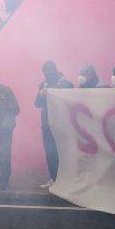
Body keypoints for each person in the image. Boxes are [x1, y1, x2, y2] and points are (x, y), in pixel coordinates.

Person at [34, 61, 73, 189]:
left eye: (49, 72)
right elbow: (37, 104)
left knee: (63, 152)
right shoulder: (43, 85)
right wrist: (40, 95)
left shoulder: (66, 84)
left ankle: (66, 179)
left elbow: (72, 103)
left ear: (55, 70)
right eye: (44, 73)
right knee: (50, 153)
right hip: (47, 125)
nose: (47, 75)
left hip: (62, 125)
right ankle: (54, 177)